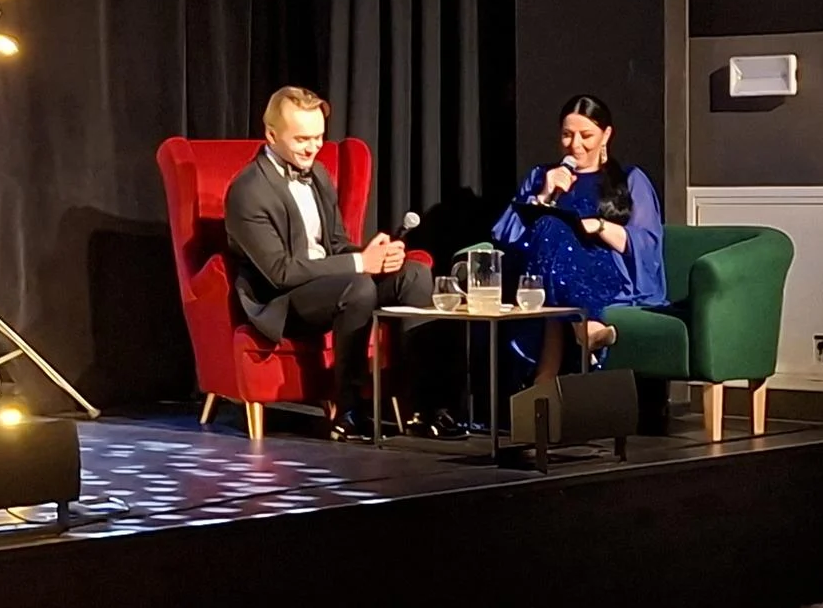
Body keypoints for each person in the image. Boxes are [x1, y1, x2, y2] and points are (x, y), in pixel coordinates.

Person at [224, 86, 467, 442]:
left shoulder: (319, 175)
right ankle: (350, 411)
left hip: (332, 284)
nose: (312, 147)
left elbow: (335, 245)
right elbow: (279, 272)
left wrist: (374, 255)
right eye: (302, 139)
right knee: (358, 287)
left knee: (414, 274)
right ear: (271, 135)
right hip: (282, 301)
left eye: (318, 137)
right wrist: (359, 263)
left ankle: (424, 407)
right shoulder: (248, 191)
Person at [491, 93, 667, 382]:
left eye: (586, 136)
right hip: (543, 273)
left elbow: (646, 245)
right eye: (567, 135)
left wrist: (598, 226)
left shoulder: (629, 178)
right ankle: (584, 329)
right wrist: (544, 195)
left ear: (606, 135)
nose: (575, 145)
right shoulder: (541, 176)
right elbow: (507, 236)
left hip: (605, 271)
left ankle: (546, 372)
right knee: (550, 228)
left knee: (554, 240)